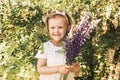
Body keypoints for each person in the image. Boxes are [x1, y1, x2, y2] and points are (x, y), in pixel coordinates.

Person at [35, 10, 80, 80]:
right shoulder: (45, 47)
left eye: (60, 27)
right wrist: (58, 69)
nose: (56, 31)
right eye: (52, 27)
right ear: (48, 29)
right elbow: (40, 69)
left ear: (67, 28)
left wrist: (72, 68)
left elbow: (77, 69)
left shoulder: (71, 47)